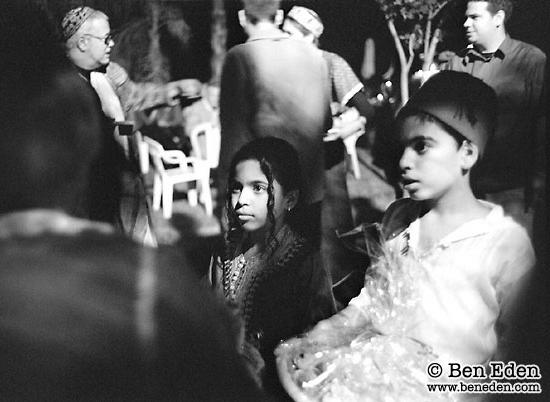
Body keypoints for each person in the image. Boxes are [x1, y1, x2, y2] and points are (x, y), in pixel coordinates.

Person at [0, 3, 264, 401]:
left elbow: (136, 96)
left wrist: (168, 95)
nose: (112, 43)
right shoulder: (147, 288)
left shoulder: (105, 74)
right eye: (105, 37)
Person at [275, 71, 535, 401]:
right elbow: (375, 300)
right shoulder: (400, 219)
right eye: (403, 147)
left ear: (467, 153)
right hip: (381, 380)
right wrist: (327, 331)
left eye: (422, 146)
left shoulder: (503, 244)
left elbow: (522, 351)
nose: (403, 161)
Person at [209, 137, 336, 400]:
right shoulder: (226, 252)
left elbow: (318, 341)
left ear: (290, 199)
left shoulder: (303, 261)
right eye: (236, 188)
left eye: (258, 188)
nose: (241, 200)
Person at [217, 0, 333, 245]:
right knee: (304, 272)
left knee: (262, 277)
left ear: (241, 17)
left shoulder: (239, 57)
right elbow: (326, 121)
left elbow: (232, 136)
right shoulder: (315, 56)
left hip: (265, 198)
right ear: (279, 16)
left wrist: (226, 198)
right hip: (309, 191)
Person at [282, 5, 374, 304]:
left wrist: (351, 127)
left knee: (334, 240)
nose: (282, 39)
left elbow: (366, 109)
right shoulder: (280, 66)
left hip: (327, 164)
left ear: (310, 37)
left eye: (289, 33)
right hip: (290, 164)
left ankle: (341, 304)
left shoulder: (330, 63)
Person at [444, 0, 547, 244]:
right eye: (466, 17)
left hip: (511, 192)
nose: (465, 23)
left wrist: (539, 186)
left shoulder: (532, 61)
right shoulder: (457, 64)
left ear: (498, 18)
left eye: (475, 17)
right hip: (463, 191)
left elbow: (543, 126)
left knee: (511, 272)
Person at [62, 6, 130, 224]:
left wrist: (129, 130)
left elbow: (121, 122)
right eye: (106, 38)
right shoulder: (66, 89)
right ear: (83, 42)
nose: (111, 44)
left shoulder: (101, 77)